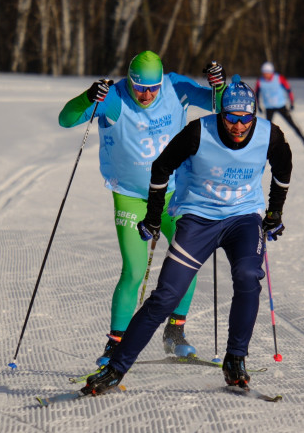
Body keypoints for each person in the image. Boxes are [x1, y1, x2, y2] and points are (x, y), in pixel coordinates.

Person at [80, 74, 293, 395]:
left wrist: (274, 213)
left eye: (245, 119)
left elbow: (283, 169)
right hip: (198, 219)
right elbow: (161, 167)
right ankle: (115, 368)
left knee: (248, 276)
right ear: (221, 114)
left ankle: (235, 359)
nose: (238, 126)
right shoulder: (198, 132)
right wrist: (153, 216)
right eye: (231, 118)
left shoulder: (269, 134)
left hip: (243, 219)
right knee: (166, 296)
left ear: (253, 116)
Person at [58, 51, 226, 366]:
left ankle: (175, 332)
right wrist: (87, 97)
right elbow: (65, 119)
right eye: (139, 88)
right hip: (131, 196)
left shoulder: (175, 87)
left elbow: (219, 105)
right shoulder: (115, 98)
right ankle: (114, 346)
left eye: (152, 88)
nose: (146, 95)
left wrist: (219, 86)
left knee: (187, 263)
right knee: (133, 270)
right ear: (129, 81)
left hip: (175, 193)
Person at [255, 61, 304, 152]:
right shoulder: (260, 81)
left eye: (267, 73)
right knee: (267, 129)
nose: (265, 75)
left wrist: (292, 102)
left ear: (271, 72)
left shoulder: (279, 78)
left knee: (293, 125)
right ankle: (264, 148)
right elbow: (256, 93)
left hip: (281, 106)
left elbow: (288, 90)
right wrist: (258, 105)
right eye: (264, 73)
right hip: (269, 108)